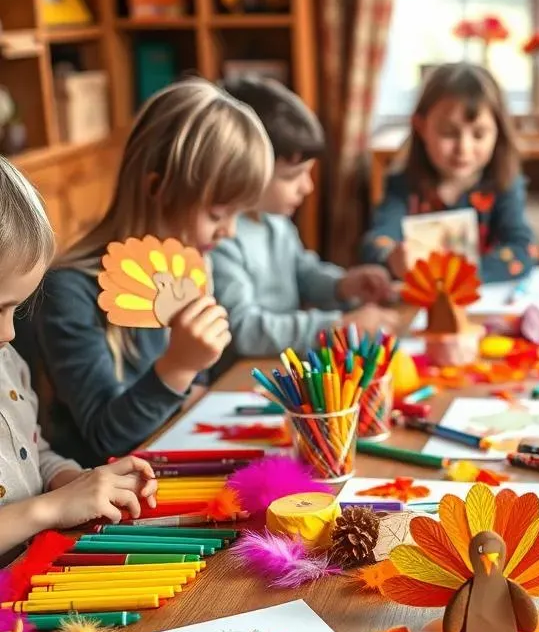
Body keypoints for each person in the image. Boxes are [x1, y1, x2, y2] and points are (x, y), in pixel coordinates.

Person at [33, 77, 273, 467]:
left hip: (177, 463)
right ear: (157, 188)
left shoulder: (194, 261)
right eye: (217, 214)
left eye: (237, 215)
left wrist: (193, 384)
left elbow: (190, 398)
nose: (229, 231)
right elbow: (105, 438)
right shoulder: (68, 290)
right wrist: (179, 366)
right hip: (107, 498)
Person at [0, 157, 156, 559]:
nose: (10, 333)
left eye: (14, 309)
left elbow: (32, 456)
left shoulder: (7, 363)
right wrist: (50, 509)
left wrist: (80, 484)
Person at [211, 76, 397, 358]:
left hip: (284, 361)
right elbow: (242, 329)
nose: (307, 187)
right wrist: (334, 327)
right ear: (244, 168)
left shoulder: (275, 220)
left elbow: (303, 272)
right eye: (291, 176)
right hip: (243, 376)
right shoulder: (220, 236)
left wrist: (343, 284)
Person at [359, 63, 536, 284]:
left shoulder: (504, 185)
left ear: (498, 132)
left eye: (479, 135)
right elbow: (377, 242)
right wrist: (392, 257)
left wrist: (461, 275)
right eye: (449, 133)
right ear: (421, 127)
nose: (464, 148)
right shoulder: (403, 185)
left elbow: (523, 249)